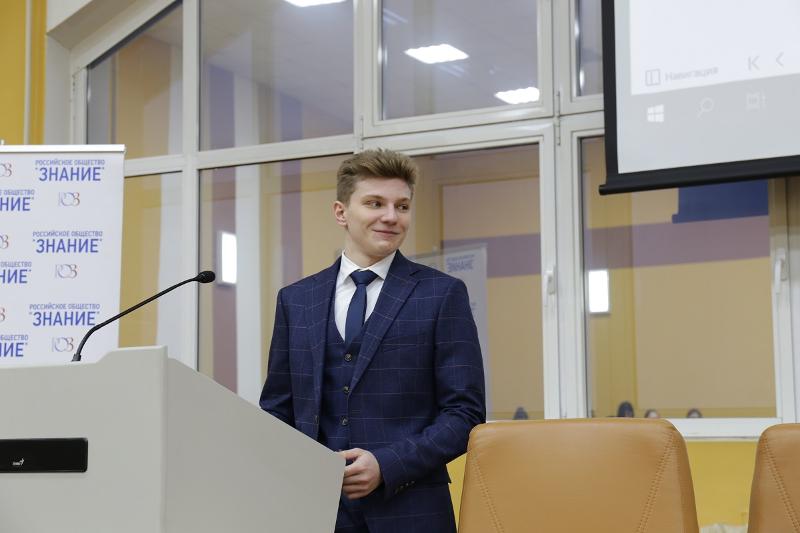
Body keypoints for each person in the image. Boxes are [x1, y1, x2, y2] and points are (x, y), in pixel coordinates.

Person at [259, 148, 486, 533]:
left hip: (411, 512)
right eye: (375, 203)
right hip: (314, 511)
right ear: (341, 212)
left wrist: (388, 464)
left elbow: (464, 414)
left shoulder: (442, 294)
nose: (391, 216)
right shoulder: (296, 300)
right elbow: (276, 411)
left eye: (402, 206)